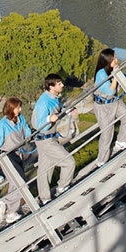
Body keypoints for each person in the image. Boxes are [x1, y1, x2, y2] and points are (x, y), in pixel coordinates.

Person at [0, 96, 33, 223]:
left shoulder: (20, 118)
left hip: (18, 153)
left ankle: (11, 211)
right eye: (18, 107)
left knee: (14, 184)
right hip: (7, 157)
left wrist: (30, 137)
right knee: (21, 184)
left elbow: (26, 131)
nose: (20, 109)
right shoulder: (2, 126)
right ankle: (4, 202)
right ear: (11, 109)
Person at [31, 73, 77, 204]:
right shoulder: (43, 102)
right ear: (51, 86)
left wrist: (66, 111)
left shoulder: (53, 97)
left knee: (45, 170)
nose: (62, 85)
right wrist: (48, 119)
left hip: (48, 138)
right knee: (69, 162)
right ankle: (62, 187)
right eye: (59, 84)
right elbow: (39, 125)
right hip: (45, 139)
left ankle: (44, 198)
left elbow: (57, 111)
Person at [92, 47, 126, 163]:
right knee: (107, 134)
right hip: (103, 106)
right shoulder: (101, 74)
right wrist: (115, 75)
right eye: (115, 58)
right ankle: (102, 160)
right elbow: (110, 91)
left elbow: (121, 83)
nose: (117, 60)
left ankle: (121, 142)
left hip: (114, 102)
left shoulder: (113, 69)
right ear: (109, 60)